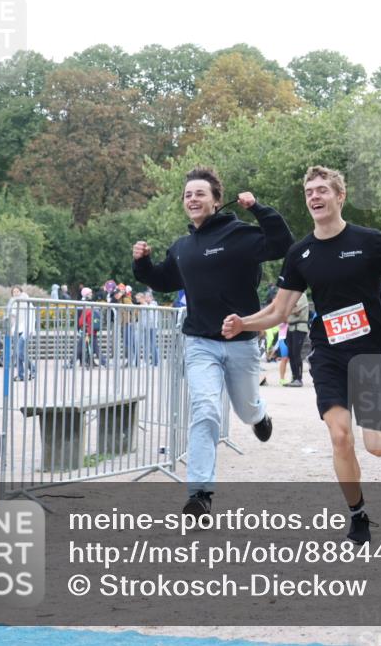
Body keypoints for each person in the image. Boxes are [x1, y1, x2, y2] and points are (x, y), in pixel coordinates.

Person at [222, 165, 381, 544]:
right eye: (309, 192)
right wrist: (244, 323)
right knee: (340, 436)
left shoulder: (370, 241)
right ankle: (357, 514)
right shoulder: (300, 252)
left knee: (377, 448)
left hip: (368, 355)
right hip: (328, 354)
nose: (314, 197)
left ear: (340, 196)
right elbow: (278, 311)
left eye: (322, 190)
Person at [134, 166, 294, 517]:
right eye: (187, 195)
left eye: (200, 194)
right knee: (204, 410)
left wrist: (258, 209)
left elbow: (283, 244)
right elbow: (163, 280)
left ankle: (259, 414)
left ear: (217, 201)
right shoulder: (183, 247)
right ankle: (200, 494)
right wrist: (143, 264)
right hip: (200, 343)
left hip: (242, 342)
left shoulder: (242, 235)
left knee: (245, 407)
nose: (192, 199)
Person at [9, 286, 37, 381]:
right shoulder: (14, 303)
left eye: (17, 291)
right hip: (16, 330)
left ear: (21, 292)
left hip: (25, 330)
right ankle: (20, 375)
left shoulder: (26, 302)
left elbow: (32, 317)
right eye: (14, 292)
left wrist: (30, 330)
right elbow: (13, 318)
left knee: (20, 353)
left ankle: (33, 369)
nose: (16, 293)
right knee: (17, 354)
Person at [285, 291, 309, 387]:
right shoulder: (291, 296)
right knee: (291, 354)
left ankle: (299, 379)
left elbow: (297, 311)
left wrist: (285, 310)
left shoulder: (301, 295)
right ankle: (294, 377)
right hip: (290, 327)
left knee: (296, 353)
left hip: (299, 327)